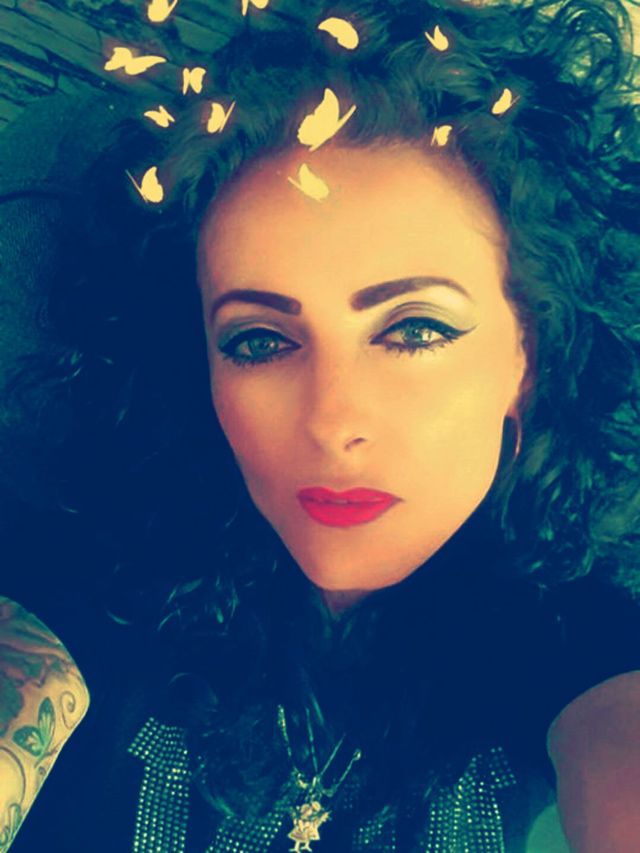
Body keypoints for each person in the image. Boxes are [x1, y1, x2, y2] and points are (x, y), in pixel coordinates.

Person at [1, 0, 640, 850]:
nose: (332, 421)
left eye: (415, 329)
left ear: (530, 357)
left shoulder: (588, 648)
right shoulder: (85, 584)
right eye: (260, 341)